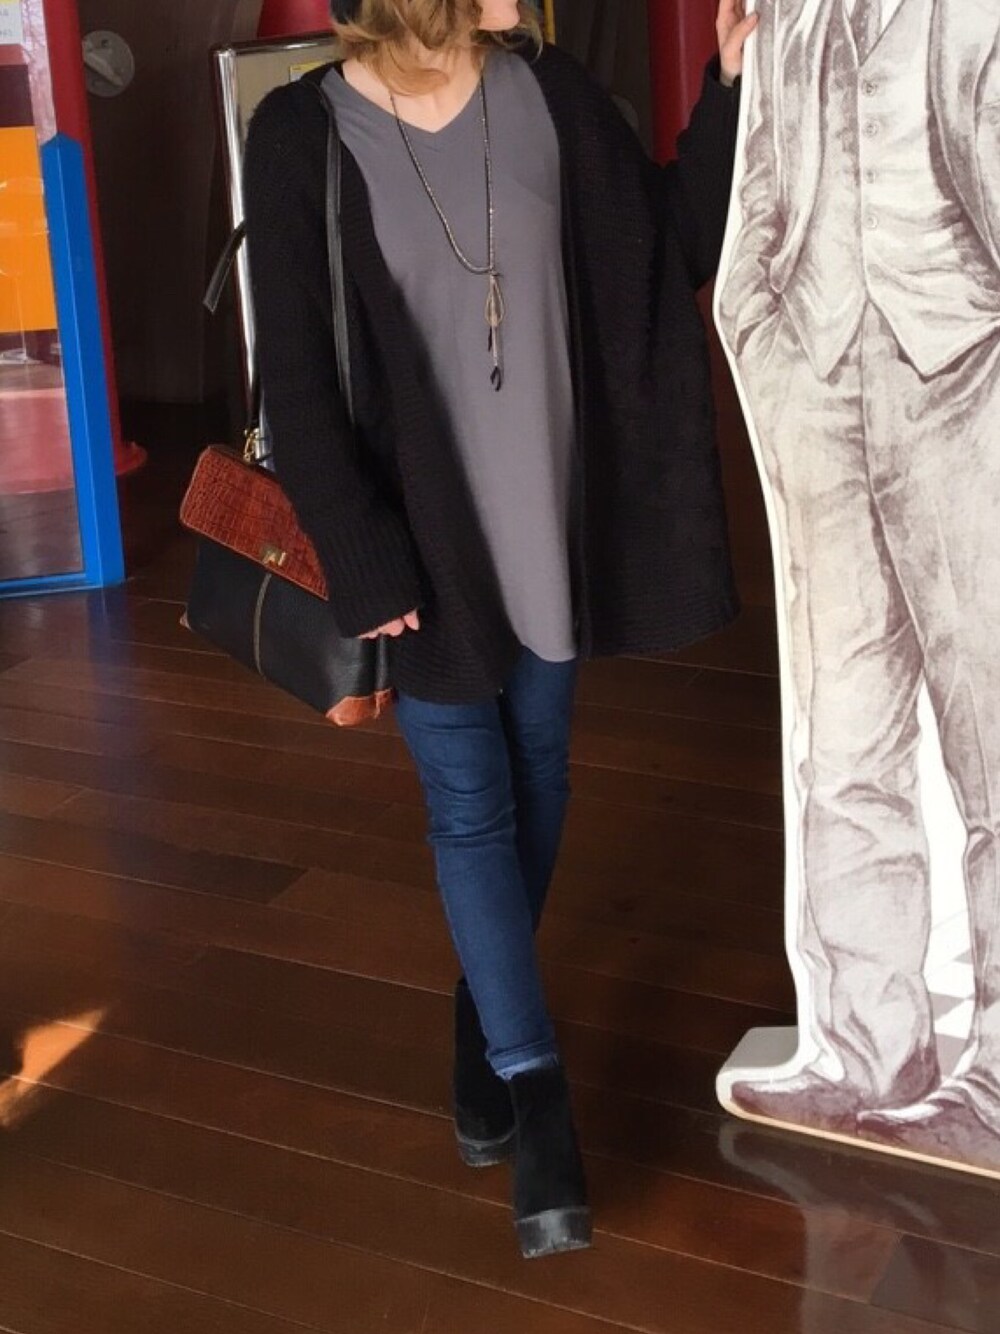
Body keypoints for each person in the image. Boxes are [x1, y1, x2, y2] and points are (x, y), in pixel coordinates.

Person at [245, 0, 755, 1257]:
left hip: (547, 510)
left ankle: (484, 1010)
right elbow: (295, 376)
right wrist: (360, 551)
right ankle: (536, 1089)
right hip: (419, 535)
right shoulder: (300, 132)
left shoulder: (548, 94)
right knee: (470, 803)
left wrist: (728, 90)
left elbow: (669, 242)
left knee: (539, 770)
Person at [718, 0, 1000, 1171]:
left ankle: (994, 1074)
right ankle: (865, 1051)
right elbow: (763, 189)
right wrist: (763, 331)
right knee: (841, 737)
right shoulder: (785, 13)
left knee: (991, 740)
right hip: (817, 382)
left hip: (963, 378)